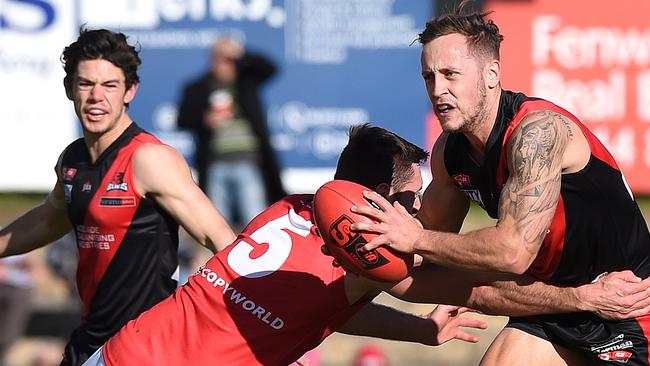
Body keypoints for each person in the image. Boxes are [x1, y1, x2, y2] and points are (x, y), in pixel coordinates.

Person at [83, 124, 650, 366]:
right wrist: (584, 300)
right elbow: (481, 289)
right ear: (379, 196)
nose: (420, 215)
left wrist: (421, 330)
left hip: (120, 353)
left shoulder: (288, 209)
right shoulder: (364, 244)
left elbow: (330, 306)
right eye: (412, 199)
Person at [351, 4, 650, 365]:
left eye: (450, 74)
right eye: (428, 76)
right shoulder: (451, 152)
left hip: (628, 303)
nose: (438, 89)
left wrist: (415, 239)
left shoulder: (537, 133)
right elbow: (419, 250)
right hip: (552, 301)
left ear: (492, 74)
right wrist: (354, 240)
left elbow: (511, 251)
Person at [0, 28, 236, 366]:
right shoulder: (72, 161)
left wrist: (271, 324)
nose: (97, 96)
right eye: (86, 84)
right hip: (91, 340)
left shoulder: (150, 159)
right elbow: (48, 219)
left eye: (110, 85)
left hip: (147, 347)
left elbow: (223, 241)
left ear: (130, 91)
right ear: (70, 89)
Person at [177, 35, 286, 228]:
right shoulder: (197, 87)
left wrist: (240, 55)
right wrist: (205, 120)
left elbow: (270, 68)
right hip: (215, 165)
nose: (224, 64)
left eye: (229, 59)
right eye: (220, 58)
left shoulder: (247, 82)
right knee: (217, 224)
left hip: (248, 162)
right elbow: (182, 120)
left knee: (255, 222)